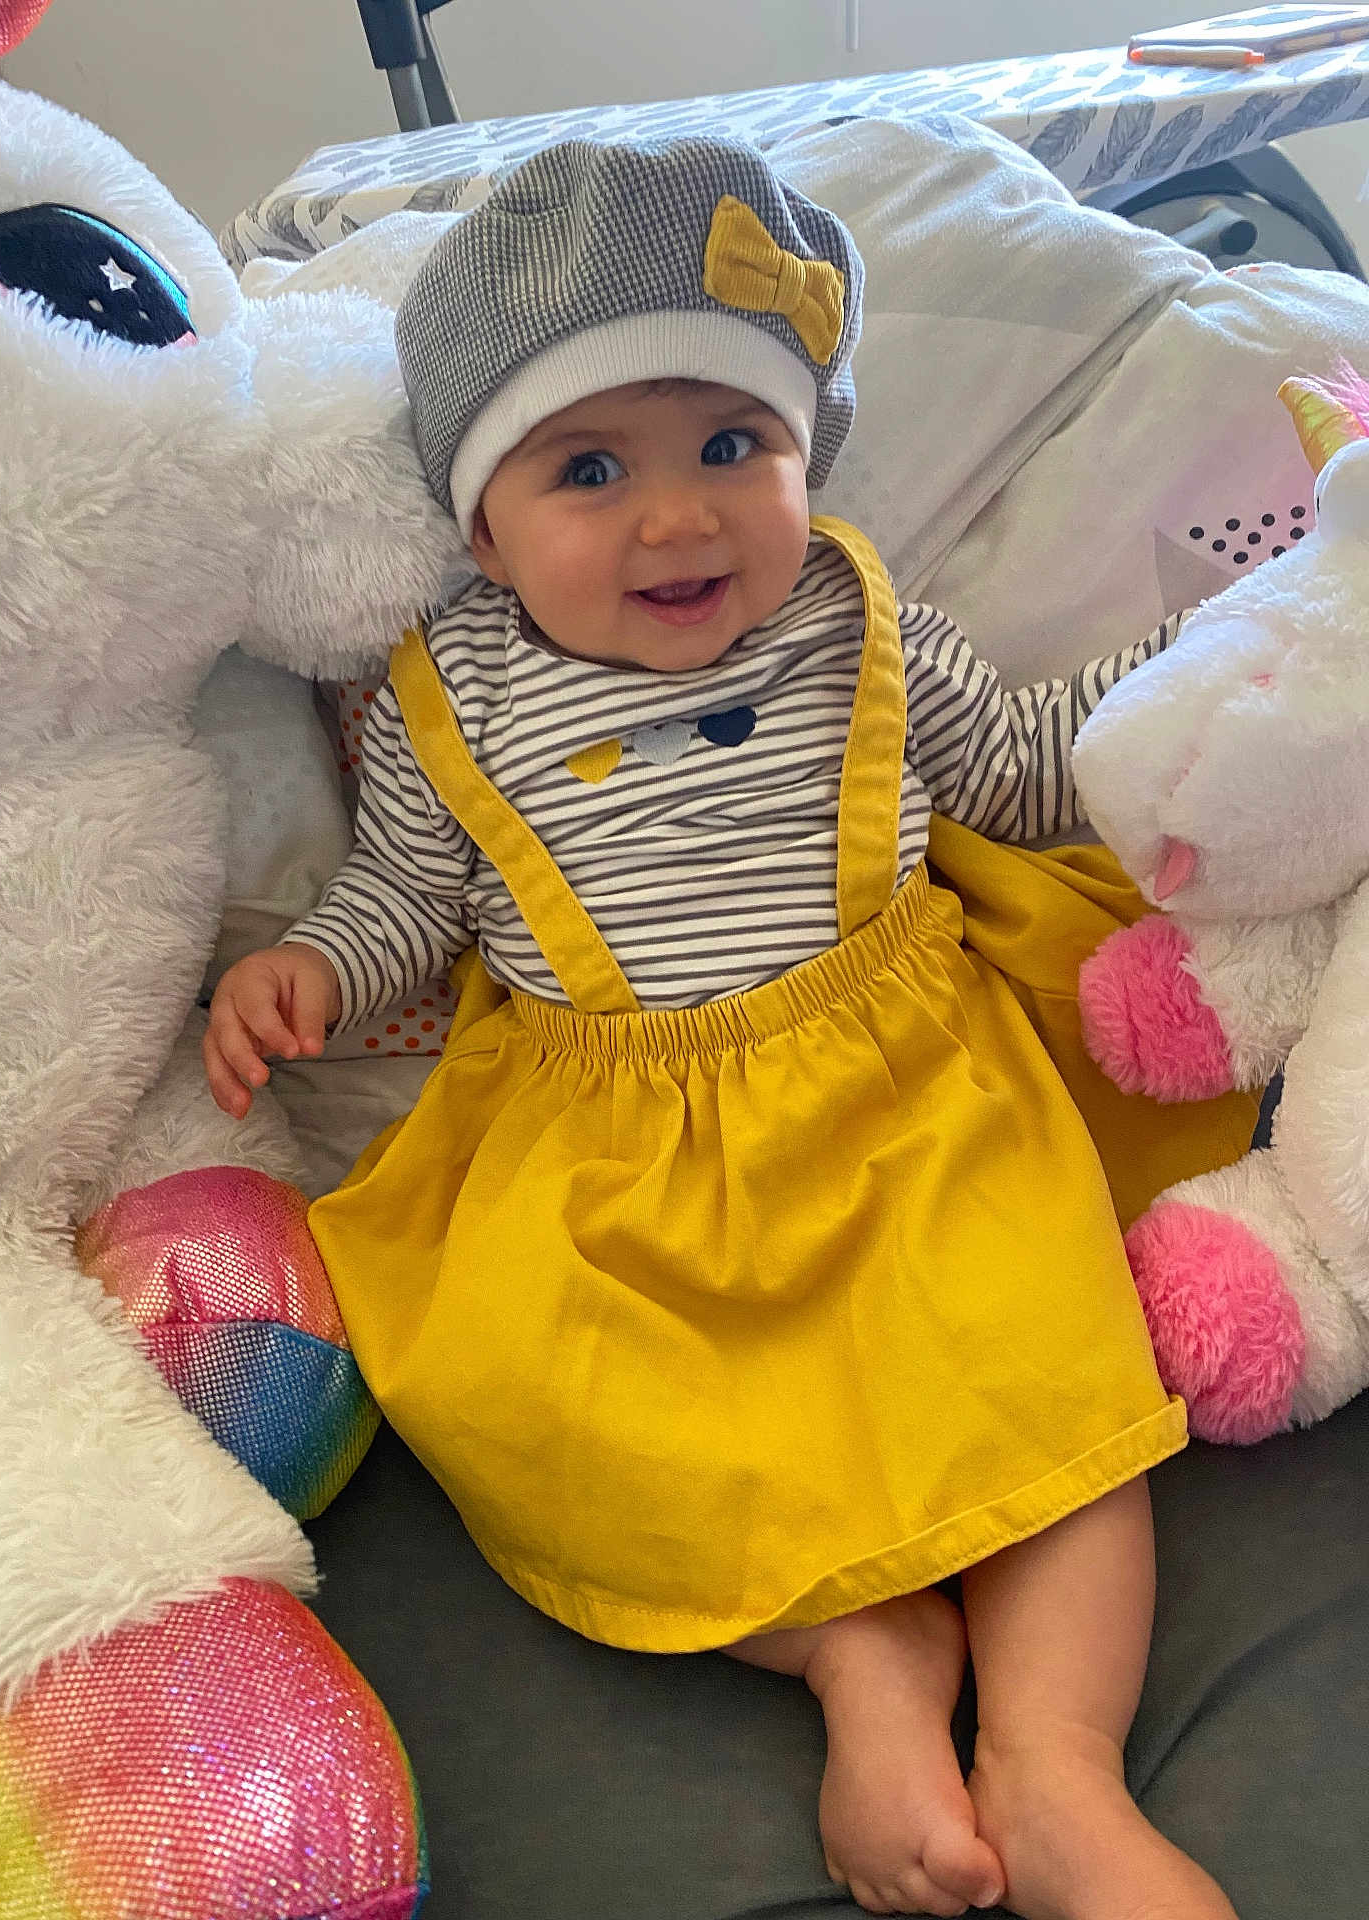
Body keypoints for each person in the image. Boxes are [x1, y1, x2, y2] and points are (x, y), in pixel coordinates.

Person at [204, 137, 1255, 1919]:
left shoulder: (864, 623)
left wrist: (1212, 681)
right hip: (613, 1171)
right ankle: (867, 1661)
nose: (678, 517)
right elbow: (410, 900)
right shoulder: (444, 696)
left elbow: (1025, 768)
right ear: (479, 523)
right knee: (579, 1441)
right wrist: (309, 966)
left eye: (732, 446)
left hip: (916, 1101)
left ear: (806, 456)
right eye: (590, 468)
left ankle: (1058, 1768)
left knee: (1060, 1394)